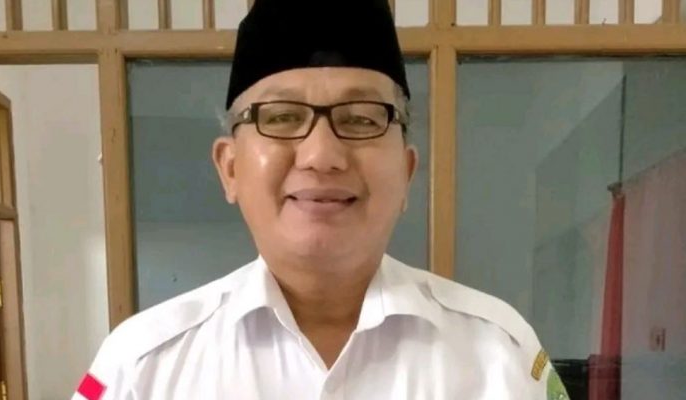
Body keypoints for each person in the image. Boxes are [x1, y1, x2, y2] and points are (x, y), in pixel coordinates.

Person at [73, 0, 569, 398]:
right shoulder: (138, 366)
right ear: (230, 167)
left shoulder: (500, 353)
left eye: (361, 119)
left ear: (406, 171)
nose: (321, 155)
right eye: (282, 117)